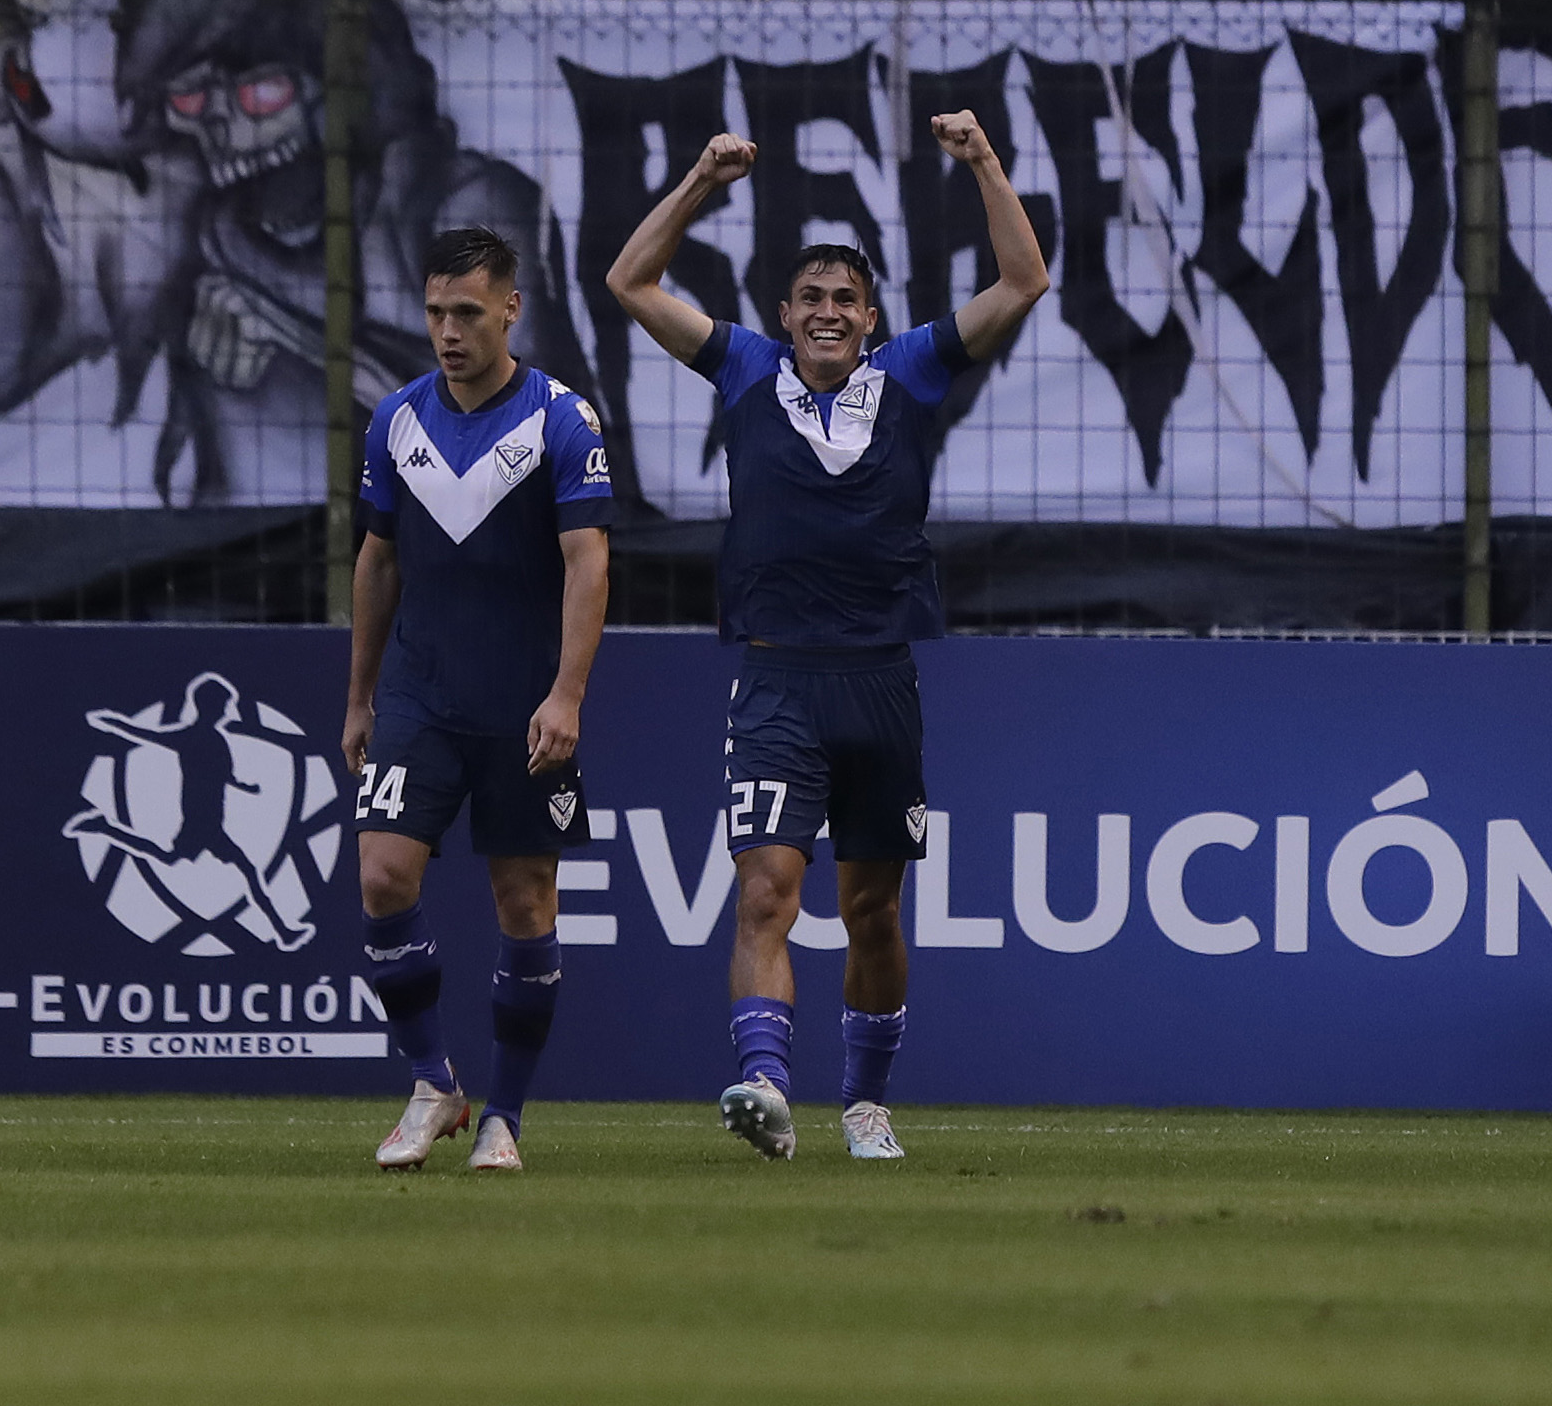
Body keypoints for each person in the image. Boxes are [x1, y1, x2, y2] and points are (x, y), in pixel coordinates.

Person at [604, 114, 1047, 1162]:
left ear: (870, 315)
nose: (826, 312)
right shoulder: (743, 367)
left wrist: (982, 160)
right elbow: (629, 279)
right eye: (809, 297)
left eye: (844, 298)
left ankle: (863, 1101)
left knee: (871, 912)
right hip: (772, 684)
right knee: (763, 889)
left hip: (879, 683)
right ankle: (762, 1082)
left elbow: (1022, 280)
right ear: (781, 313)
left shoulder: (908, 372)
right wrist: (700, 178)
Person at [344, 226, 612, 1173]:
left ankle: (504, 1115)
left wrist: (566, 694)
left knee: (523, 897)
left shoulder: (560, 422)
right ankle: (432, 1084)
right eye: (434, 312)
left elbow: (589, 563)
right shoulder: (394, 420)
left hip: (522, 704)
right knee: (381, 876)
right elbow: (375, 560)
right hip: (419, 694)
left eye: (467, 311)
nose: (448, 331)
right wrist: (360, 696)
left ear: (510, 308)